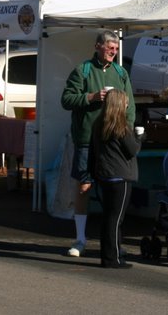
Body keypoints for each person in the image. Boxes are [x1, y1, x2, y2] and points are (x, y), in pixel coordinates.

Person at [60, 30, 134, 258]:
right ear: (98, 46)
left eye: (116, 48)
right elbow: (66, 100)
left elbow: (129, 107)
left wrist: (127, 132)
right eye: (110, 47)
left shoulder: (120, 73)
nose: (114, 51)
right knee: (84, 186)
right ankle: (80, 239)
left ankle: (113, 242)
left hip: (111, 143)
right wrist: (91, 97)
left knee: (112, 191)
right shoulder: (82, 70)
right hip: (86, 140)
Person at [89, 88, 139, 269]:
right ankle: (113, 258)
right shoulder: (121, 125)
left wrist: (90, 173)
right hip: (121, 176)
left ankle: (111, 254)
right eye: (125, 102)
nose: (127, 105)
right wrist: (141, 137)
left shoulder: (98, 123)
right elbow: (132, 150)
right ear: (120, 104)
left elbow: (92, 151)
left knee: (109, 217)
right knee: (115, 219)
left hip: (104, 175)